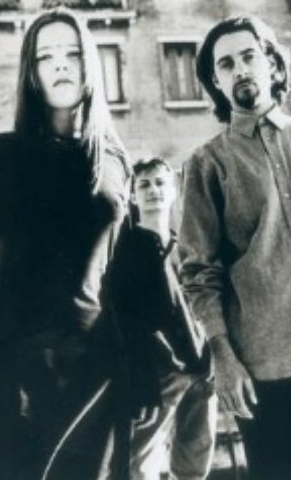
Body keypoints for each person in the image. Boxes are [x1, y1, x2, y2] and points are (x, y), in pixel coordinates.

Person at [0, 7, 130, 480]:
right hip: (13, 362)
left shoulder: (115, 160)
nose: (60, 64)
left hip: (92, 367)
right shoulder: (0, 153)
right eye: (45, 56)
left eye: (72, 53)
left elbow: (121, 271)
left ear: (90, 63)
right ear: (31, 72)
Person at [179, 15, 291, 479]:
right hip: (264, 370)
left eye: (249, 56)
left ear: (272, 63)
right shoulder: (207, 164)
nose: (241, 69)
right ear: (216, 81)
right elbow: (198, 273)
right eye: (226, 64)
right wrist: (223, 358)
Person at [104, 157, 216, 480]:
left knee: (195, 464)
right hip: (155, 376)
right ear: (133, 195)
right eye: (144, 184)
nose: (153, 190)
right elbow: (119, 316)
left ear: (174, 190)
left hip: (200, 370)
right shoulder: (123, 250)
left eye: (160, 183)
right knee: (140, 466)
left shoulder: (189, 249)